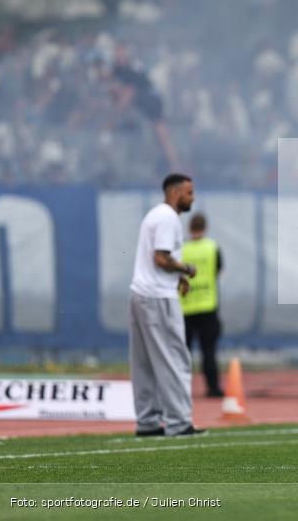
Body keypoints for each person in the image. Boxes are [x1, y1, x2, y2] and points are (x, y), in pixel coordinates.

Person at [128, 173, 203, 437]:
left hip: (141, 294)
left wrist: (178, 277)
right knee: (174, 359)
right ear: (174, 193)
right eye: (189, 193)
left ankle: (147, 421)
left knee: (144, 363)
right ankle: (179, 421)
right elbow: (161, 257)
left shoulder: (155, 214)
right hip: (158, 297)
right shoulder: (168, 218)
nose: (192, 198)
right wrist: (187, 269)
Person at [180, 212, 224, 398]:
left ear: (189, 228)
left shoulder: (182, 249)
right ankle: (213, 388)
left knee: (183, 354)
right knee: (209, 352)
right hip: (207, 305)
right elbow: (218, 271)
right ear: (205, 228)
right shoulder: (212, 247)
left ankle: (181, 390)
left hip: (186, 307)